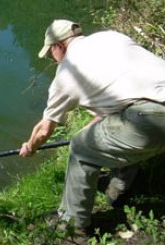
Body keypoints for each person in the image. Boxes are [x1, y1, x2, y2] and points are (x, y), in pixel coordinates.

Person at [19, 19, 165, 230]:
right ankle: (117, 189)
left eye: (51, 52)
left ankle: (72, 225)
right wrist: (90, 130)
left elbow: (44, 129)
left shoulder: (67, 72)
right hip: (151, 109)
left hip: (149, 120)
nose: (53, 58)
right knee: (112, 130)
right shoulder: (111, 37)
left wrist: (31, 146)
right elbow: (123, 100)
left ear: (59, 46)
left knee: (80, 148)